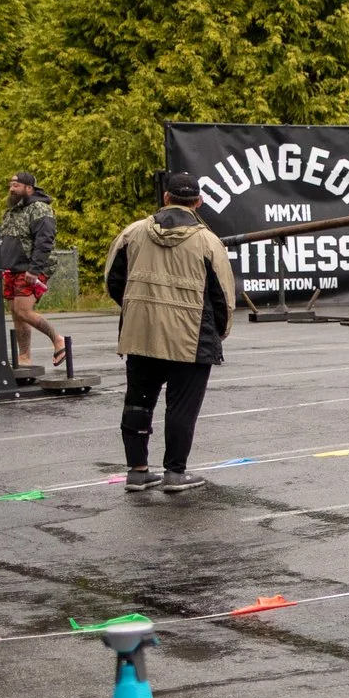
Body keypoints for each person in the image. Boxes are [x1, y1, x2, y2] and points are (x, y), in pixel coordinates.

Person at [105, 171, 239, 495]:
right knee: (181, 408)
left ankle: (137, 472)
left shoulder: (133, 233)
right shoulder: (208, 241)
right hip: (189, 339)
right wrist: (219, 332)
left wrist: (137, 311)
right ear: (198, 202)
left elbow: (113, 279)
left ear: (165, 198)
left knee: (138, 401)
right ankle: (175, 473)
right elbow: (224, 296)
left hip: (141, 334)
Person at [0, 170, 63, 371]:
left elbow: (45, 240)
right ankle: (24, 358)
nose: (11, 189)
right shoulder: (11, 211)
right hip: (12, 267)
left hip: (31, 267)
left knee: (24, 310)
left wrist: (35, 269)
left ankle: (58, 340)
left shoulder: (40, 209)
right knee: (16, 312)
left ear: (28, 188)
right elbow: (2, 241)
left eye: (16, 185)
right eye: (10, 185)